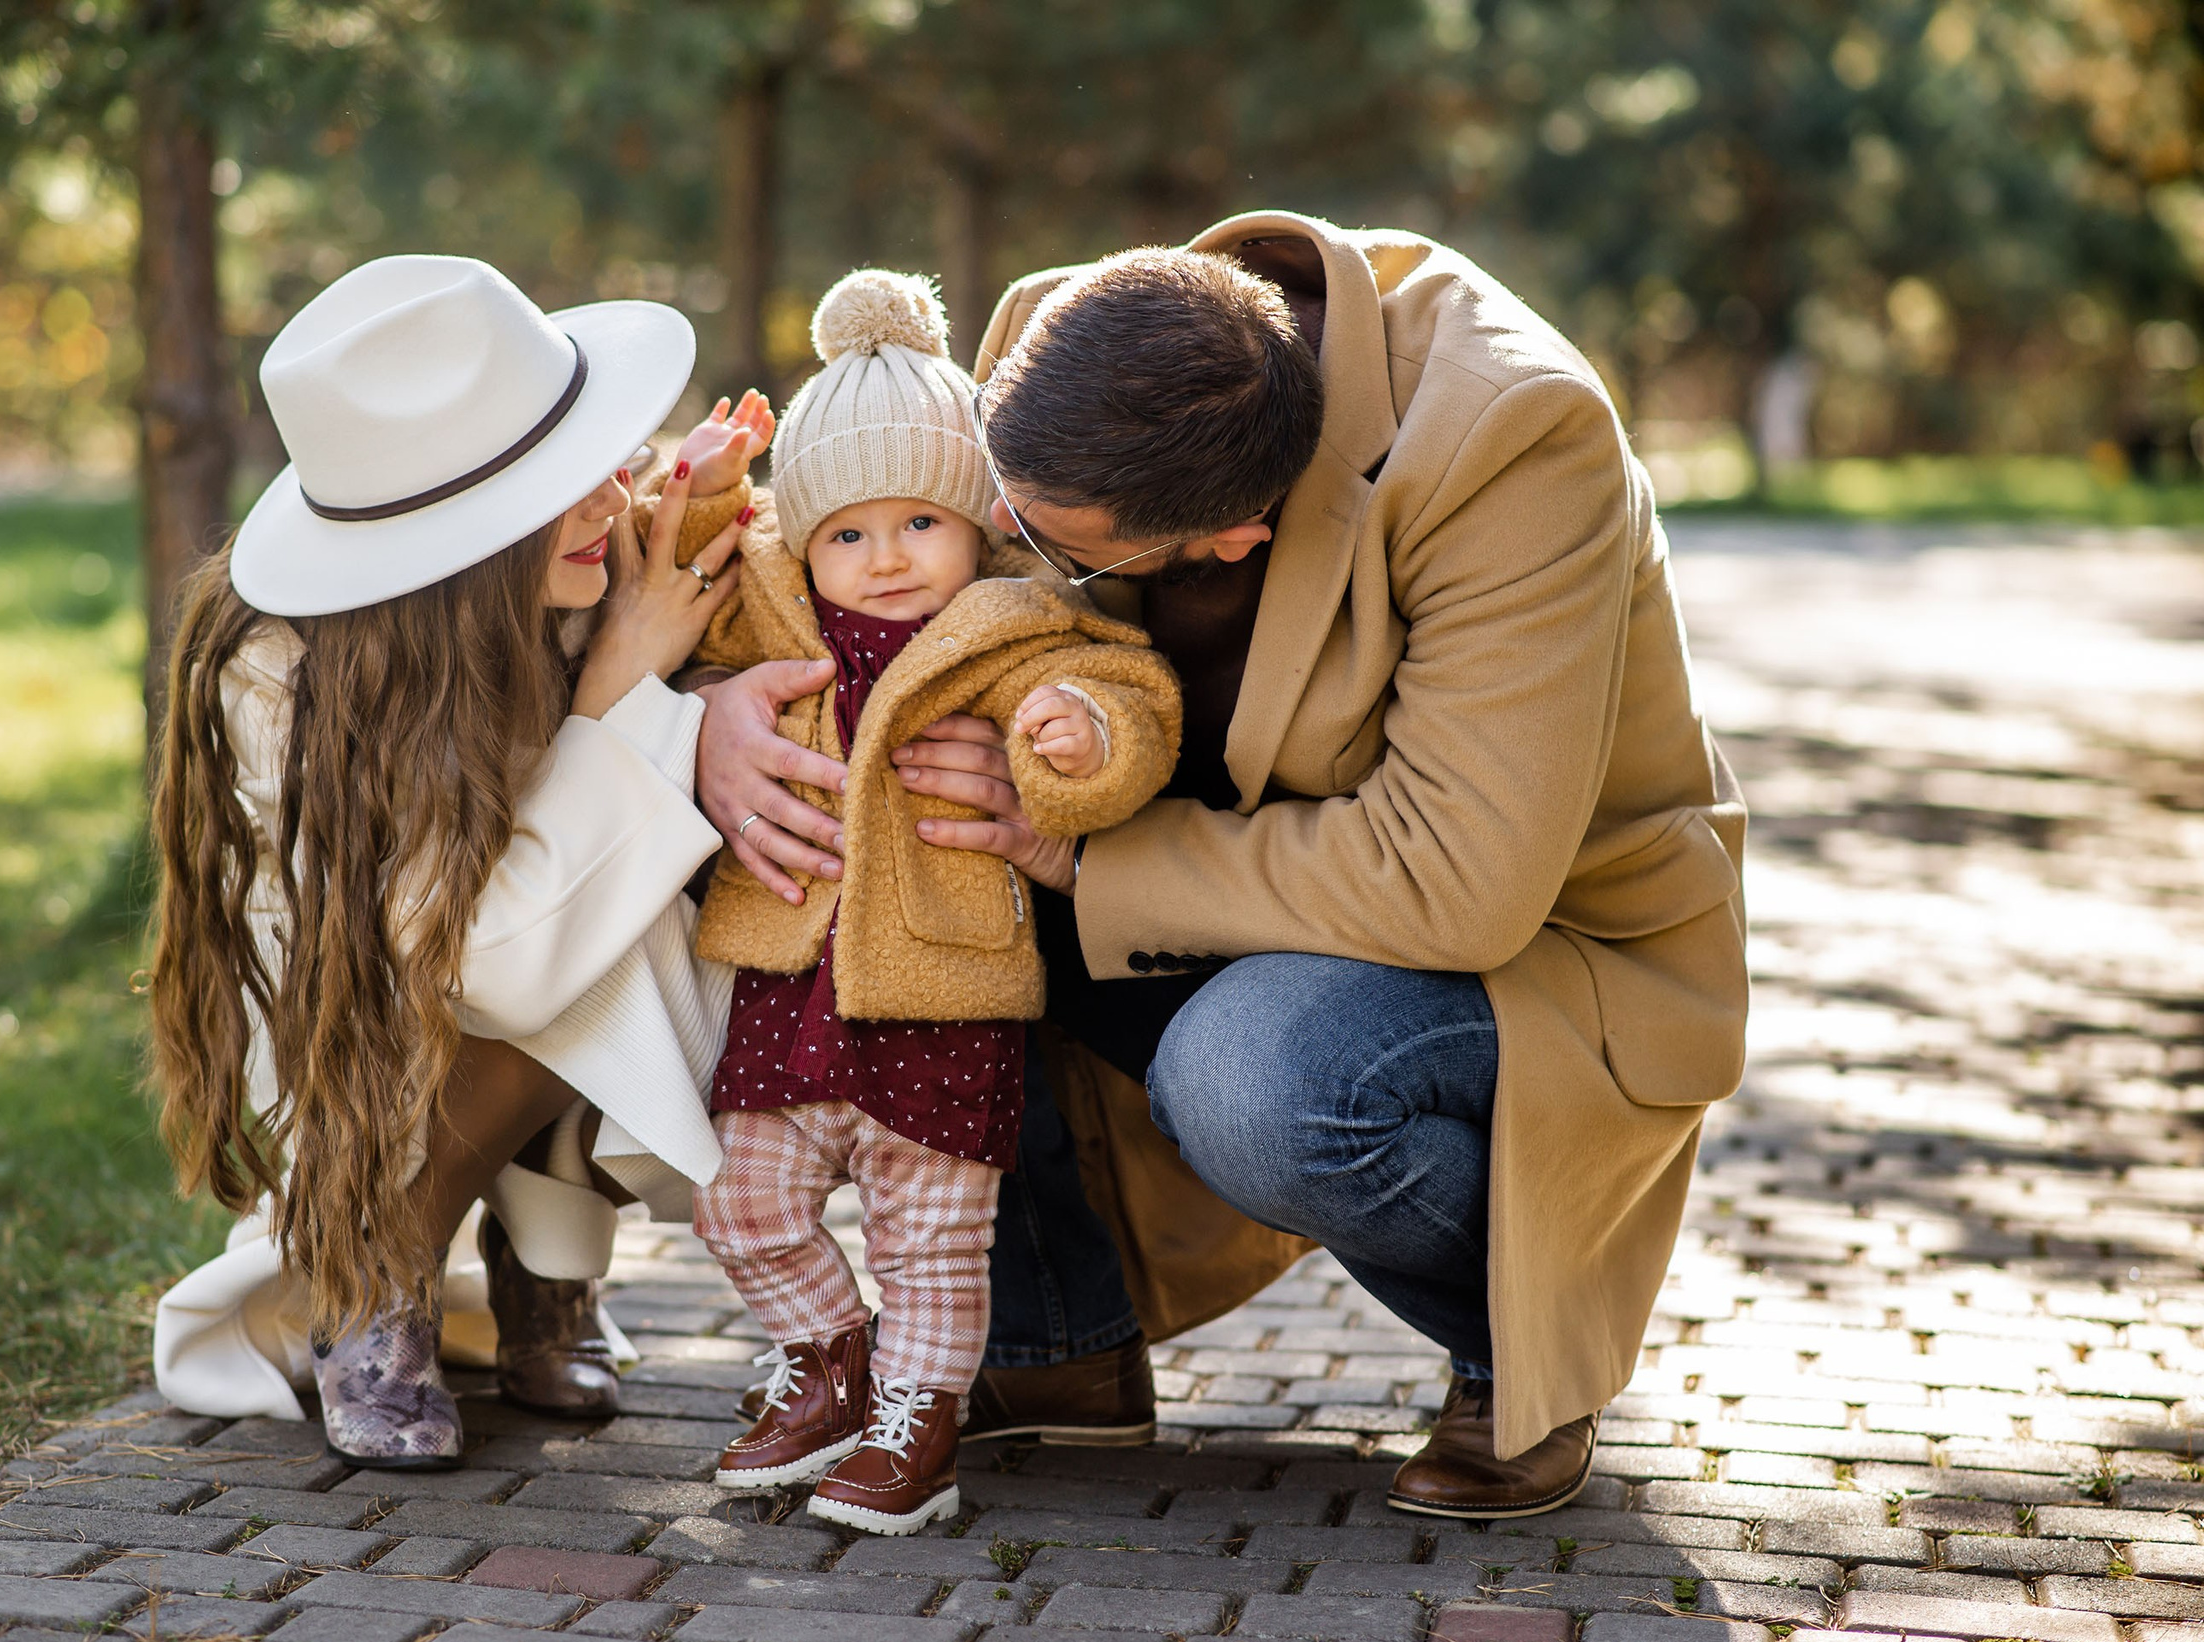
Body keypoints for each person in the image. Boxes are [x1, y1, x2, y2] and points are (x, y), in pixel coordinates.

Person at [693, 213, 1748, 1521]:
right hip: (1186, 843)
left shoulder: (1514, 434)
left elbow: (1460, 877)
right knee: (921, 845)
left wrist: (1078, 852)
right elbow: (850, 529)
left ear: (1236, 536)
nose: (1007, 545)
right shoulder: (1049, 335)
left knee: (1257, 1081)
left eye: (1056, 546)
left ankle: (1521, 1343)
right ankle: (1049, 1343)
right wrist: (725, 711)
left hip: (1528, 940)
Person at [145, 253, 765, 1465]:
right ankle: (368, 1262)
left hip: (514, 970)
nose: (608, 494)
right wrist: (624, 690)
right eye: (556, 483)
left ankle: (548, 1257)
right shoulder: (279, 675)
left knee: (638, 870)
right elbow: (485, 959)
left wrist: (719, 673)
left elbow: (793, 601)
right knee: (592, 877)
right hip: (369, 1027)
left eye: (592, 454)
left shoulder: (589, 566)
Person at [668, 271, 1180, 1535]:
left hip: (943, 997)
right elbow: (674, 595)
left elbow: (1136, 699)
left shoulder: (1014, 625)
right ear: (804, 535)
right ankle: (831, 1357)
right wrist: (704, 492)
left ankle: (916, 1424)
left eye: (918, 523)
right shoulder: (771, 609)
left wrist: (1081, 734)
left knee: (931, 1244)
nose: (885, 558)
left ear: (976, 520)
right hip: (790, 989)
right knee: (736, 1202)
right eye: (847, 531)